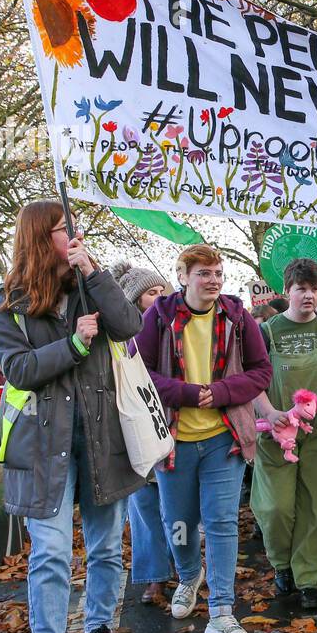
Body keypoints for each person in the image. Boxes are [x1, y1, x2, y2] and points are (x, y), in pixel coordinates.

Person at [0, 200, 147, 633]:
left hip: (102, 443)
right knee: (51, 555)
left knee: (104, 550)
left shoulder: (89, 288)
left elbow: (128, 325)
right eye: (64, 228)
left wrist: (95, 272)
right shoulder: (8, 304)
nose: (74, 234)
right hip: (44, 450)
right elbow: (17, 370)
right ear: (40, 237)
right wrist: (75, 348)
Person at [136, 243, 272, 633]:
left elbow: (261, 370)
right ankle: (189, 574)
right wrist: (185, 393)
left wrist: (224, 390)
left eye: (218, 273)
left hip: (223, 438)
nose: (213, 281)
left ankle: (222, 611)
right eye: (204, 274)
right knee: (178, 523)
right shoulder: (157, 317)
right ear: (182, 277)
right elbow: (138, 371)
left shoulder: (236, 316)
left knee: (221, 521)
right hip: (173, 438)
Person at [251, 258, 317, 610]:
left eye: (315, 289)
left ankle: (307, 579)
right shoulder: (267, 331)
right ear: (286, 291)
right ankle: (281, 563)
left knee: (315, 507)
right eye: (301, 288)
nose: (309, 295)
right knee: (276, 508)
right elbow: (252, 381)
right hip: (277, 434)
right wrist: (270, 413)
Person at [110, 259, 175, 606]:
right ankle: (154, 577)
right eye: (153, 293)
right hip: (137, 425)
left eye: (164, 290)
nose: (161, 298)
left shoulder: (178, 328)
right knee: (144, 505)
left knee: (177, 505)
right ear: (134, 301)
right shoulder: (119, 337)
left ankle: (185, 566)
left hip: (174, 422)